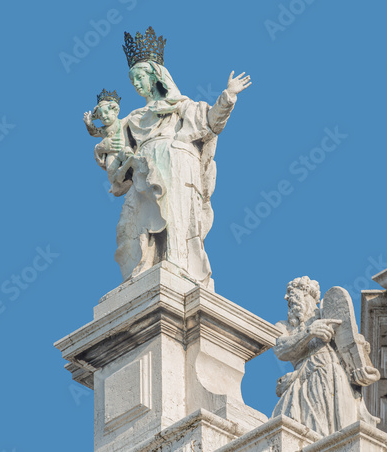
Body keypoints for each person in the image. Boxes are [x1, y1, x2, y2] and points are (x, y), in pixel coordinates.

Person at [99, 27, 251, 288]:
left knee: (175, 218)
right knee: (131, 227)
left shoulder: (180, 106)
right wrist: (104, 147)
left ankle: (176, 262)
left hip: (177, 168)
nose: (136, 84)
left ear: (155, 77)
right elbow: (114, 162)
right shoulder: (132, 119)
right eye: (132, 79)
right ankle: (145, 264)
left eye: (140, 77)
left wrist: (228, 96)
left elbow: (211, 122)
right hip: (143, 172)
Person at [271, 276, 380, 436]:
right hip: (308, 381)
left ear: (309, 295)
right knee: (318, 434)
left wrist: (361, 359)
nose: (289, 299)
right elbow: (281, 349)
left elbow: (348, 344)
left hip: (337, 377)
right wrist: (309, 332)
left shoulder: (327, 315)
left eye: (295, 294)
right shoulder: (285, 326)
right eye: (289, 299)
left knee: (345, 432)